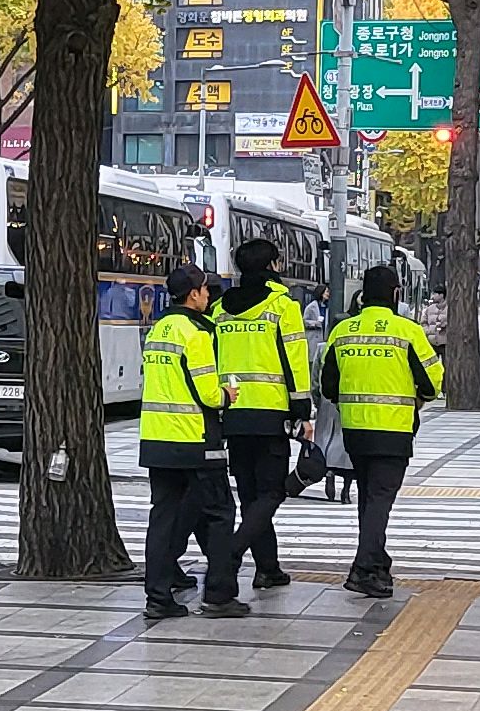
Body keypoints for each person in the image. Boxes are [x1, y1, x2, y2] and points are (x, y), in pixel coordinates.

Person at [320, 264, 444, 598]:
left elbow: (327, 384)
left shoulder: (342, 331)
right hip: (394, 429)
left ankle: (377, 564)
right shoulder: (407, 331)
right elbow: (433, 382)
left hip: (355, 430)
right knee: (379, 499)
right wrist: (419, 397)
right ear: (395, 293)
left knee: (370, 499)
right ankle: (363, 568)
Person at [140, 262, 249, 623]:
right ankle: (218, 594)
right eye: (205, 290)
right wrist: (226, 395)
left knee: (164, 516)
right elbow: (207, 392)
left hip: (157, 437)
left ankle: (158, 596)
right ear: (193, 294)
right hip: (196, 438)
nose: (208, 295)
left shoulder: (159, 329)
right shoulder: (196, 333)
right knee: (220, 512)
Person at [212, 237, 311, 591]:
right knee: (272, 493)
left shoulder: (220, 307)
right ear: (271, 266)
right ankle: (233, 553)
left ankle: (268, 568)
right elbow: (295, 359)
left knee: (251, 495)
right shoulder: (282, 305)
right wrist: (302, 407)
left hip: (232, 412)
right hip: (271, 412)